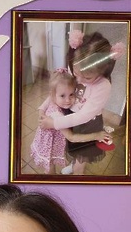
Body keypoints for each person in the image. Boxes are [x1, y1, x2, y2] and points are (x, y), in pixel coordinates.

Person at [39, 30, 125, 175]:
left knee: (81, 159)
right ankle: (73, 166)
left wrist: (54, 123)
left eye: (87, 77)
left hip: (87, 125)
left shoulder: (103, 86)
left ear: (102, 71)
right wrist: (43, 108)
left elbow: (83, 116)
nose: (78, 80)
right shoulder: (76, 67)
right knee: (73, 148)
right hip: (70, 118)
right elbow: (59, 88)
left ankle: (77, 174)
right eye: (76, 73)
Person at [30, 69, 111, 175]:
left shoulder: (55, 101)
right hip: (48, 147)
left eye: (71, 94)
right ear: (53, 96)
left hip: (51, 143)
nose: (68, 100)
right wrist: (97, 136)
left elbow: (48, 100)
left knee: (52, 166)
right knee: (49, 169)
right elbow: (71, 137)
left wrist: (41, 112)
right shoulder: (56, 115)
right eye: (62, 96)